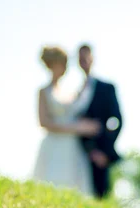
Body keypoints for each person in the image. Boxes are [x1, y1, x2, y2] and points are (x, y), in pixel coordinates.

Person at [33, 46, 100, 195]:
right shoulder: (43, 92)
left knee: (74, 188)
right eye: (62, 64)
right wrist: (78, 128)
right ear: (53, 65)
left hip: (72, 147)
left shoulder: (72, 92)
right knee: (50, 184)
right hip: (53, 146)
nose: (64, 69)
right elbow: (44, 122)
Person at [77, 43, 123, 199]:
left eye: (85, 57)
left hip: (99, 155)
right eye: (80, 58)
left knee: (100, 196)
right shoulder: (75, 91)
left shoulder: (106, 88)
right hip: (77, 151)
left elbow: (117, 120)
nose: (83, 61)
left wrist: (103, 151)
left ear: (92, 58)